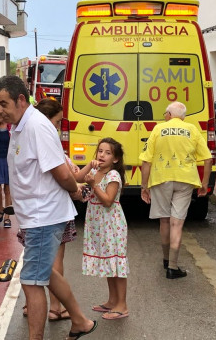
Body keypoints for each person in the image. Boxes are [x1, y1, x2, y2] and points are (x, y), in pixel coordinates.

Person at [0, 75, 97, 340]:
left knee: (31, 280)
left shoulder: (36, 126)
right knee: (45, 273)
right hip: (35, 216)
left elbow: (61, 172)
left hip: (44, 217)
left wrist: (76, 190)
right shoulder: (19, 126)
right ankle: (81, 322)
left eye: (3, 103)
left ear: (21, 100)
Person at [21, 98, 79, 322]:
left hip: (31, 210)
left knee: (34, 260)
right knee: (54, 261)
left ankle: (30, 304)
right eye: (57, 121)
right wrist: (76, 187)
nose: (58, 126)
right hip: (51, 209)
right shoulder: (47, 135)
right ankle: (56, 307)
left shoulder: (25, 133)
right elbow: (64, 175)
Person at [140, 102, 212, 279]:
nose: (164, 116)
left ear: (169, 115)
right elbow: (208, 159)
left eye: (165, 113)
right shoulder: (192, 129)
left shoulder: (158, 129)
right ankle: (173, 267)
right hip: (185, 180)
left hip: (161, 179)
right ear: (183, 117)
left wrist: (144, 187)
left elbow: (146, 161)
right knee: (177, 223)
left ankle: (165, 259)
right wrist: (204, 184)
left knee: (164, 221)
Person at [77, 137, 129, 320]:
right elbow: (77, 178)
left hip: (111, 225)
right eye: (100, 151)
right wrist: (88, 167)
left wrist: (93, 185)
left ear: (115, 159)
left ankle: (122, 305)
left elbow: (107, 201)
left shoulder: (113, 175)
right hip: (99, 225)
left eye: (108, 153)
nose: (102, 155)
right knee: (109, 264)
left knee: (116, 264)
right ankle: (112, 301)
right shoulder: (95, 170)